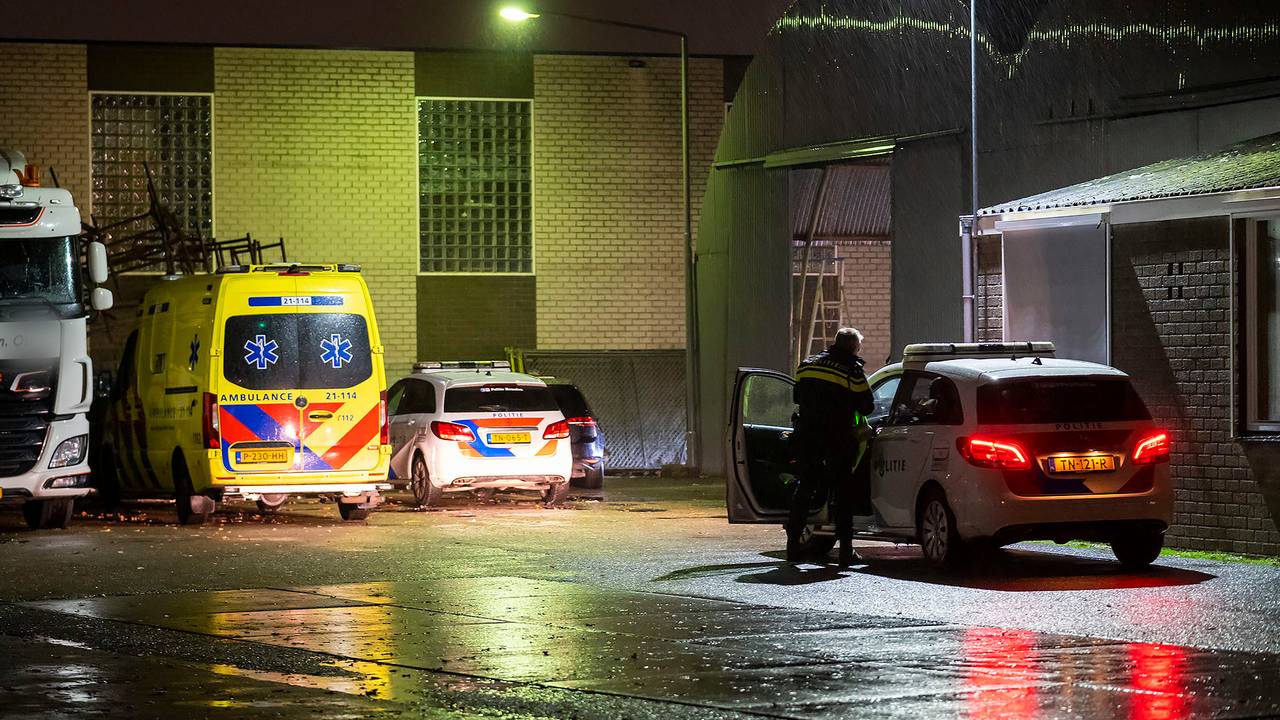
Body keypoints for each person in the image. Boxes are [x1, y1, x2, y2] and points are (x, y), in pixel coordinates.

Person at [787, 327, 875, 567]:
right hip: (837, 439)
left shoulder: (807, 364)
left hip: (808, 436)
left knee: (805, 487)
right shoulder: (852, 371)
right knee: (843, 493)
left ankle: (793, 545)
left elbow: (797, 397)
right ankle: (846, 550)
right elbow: (867, 406)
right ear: (854, 347)